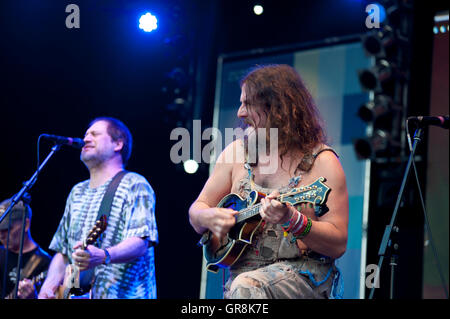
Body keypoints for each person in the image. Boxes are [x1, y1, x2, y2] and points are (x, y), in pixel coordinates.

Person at [189, 64, 349, 299]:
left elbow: (338, 244)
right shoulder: (236, 153)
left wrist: (292, 220)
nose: (240, 113)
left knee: (246, 286)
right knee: (243, 287)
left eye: (248, 104)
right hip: (243, 282)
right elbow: (196, 211)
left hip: (303, 279)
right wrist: (208, 216)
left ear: (277, 108)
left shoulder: (322, 162)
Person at [38, 117, 158, 299]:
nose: (85, 139)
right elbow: (63, 252)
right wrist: (49, 284)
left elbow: (141, 241)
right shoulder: (77, 192)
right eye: (85, 134)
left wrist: (104, 255)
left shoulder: (135, 184)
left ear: (118, 144)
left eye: (94, 134)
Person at [0, 198, 52, 299]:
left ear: (26, 225)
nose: (1, 235)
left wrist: (33, 297)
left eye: (6, 229)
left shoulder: (45, 263)